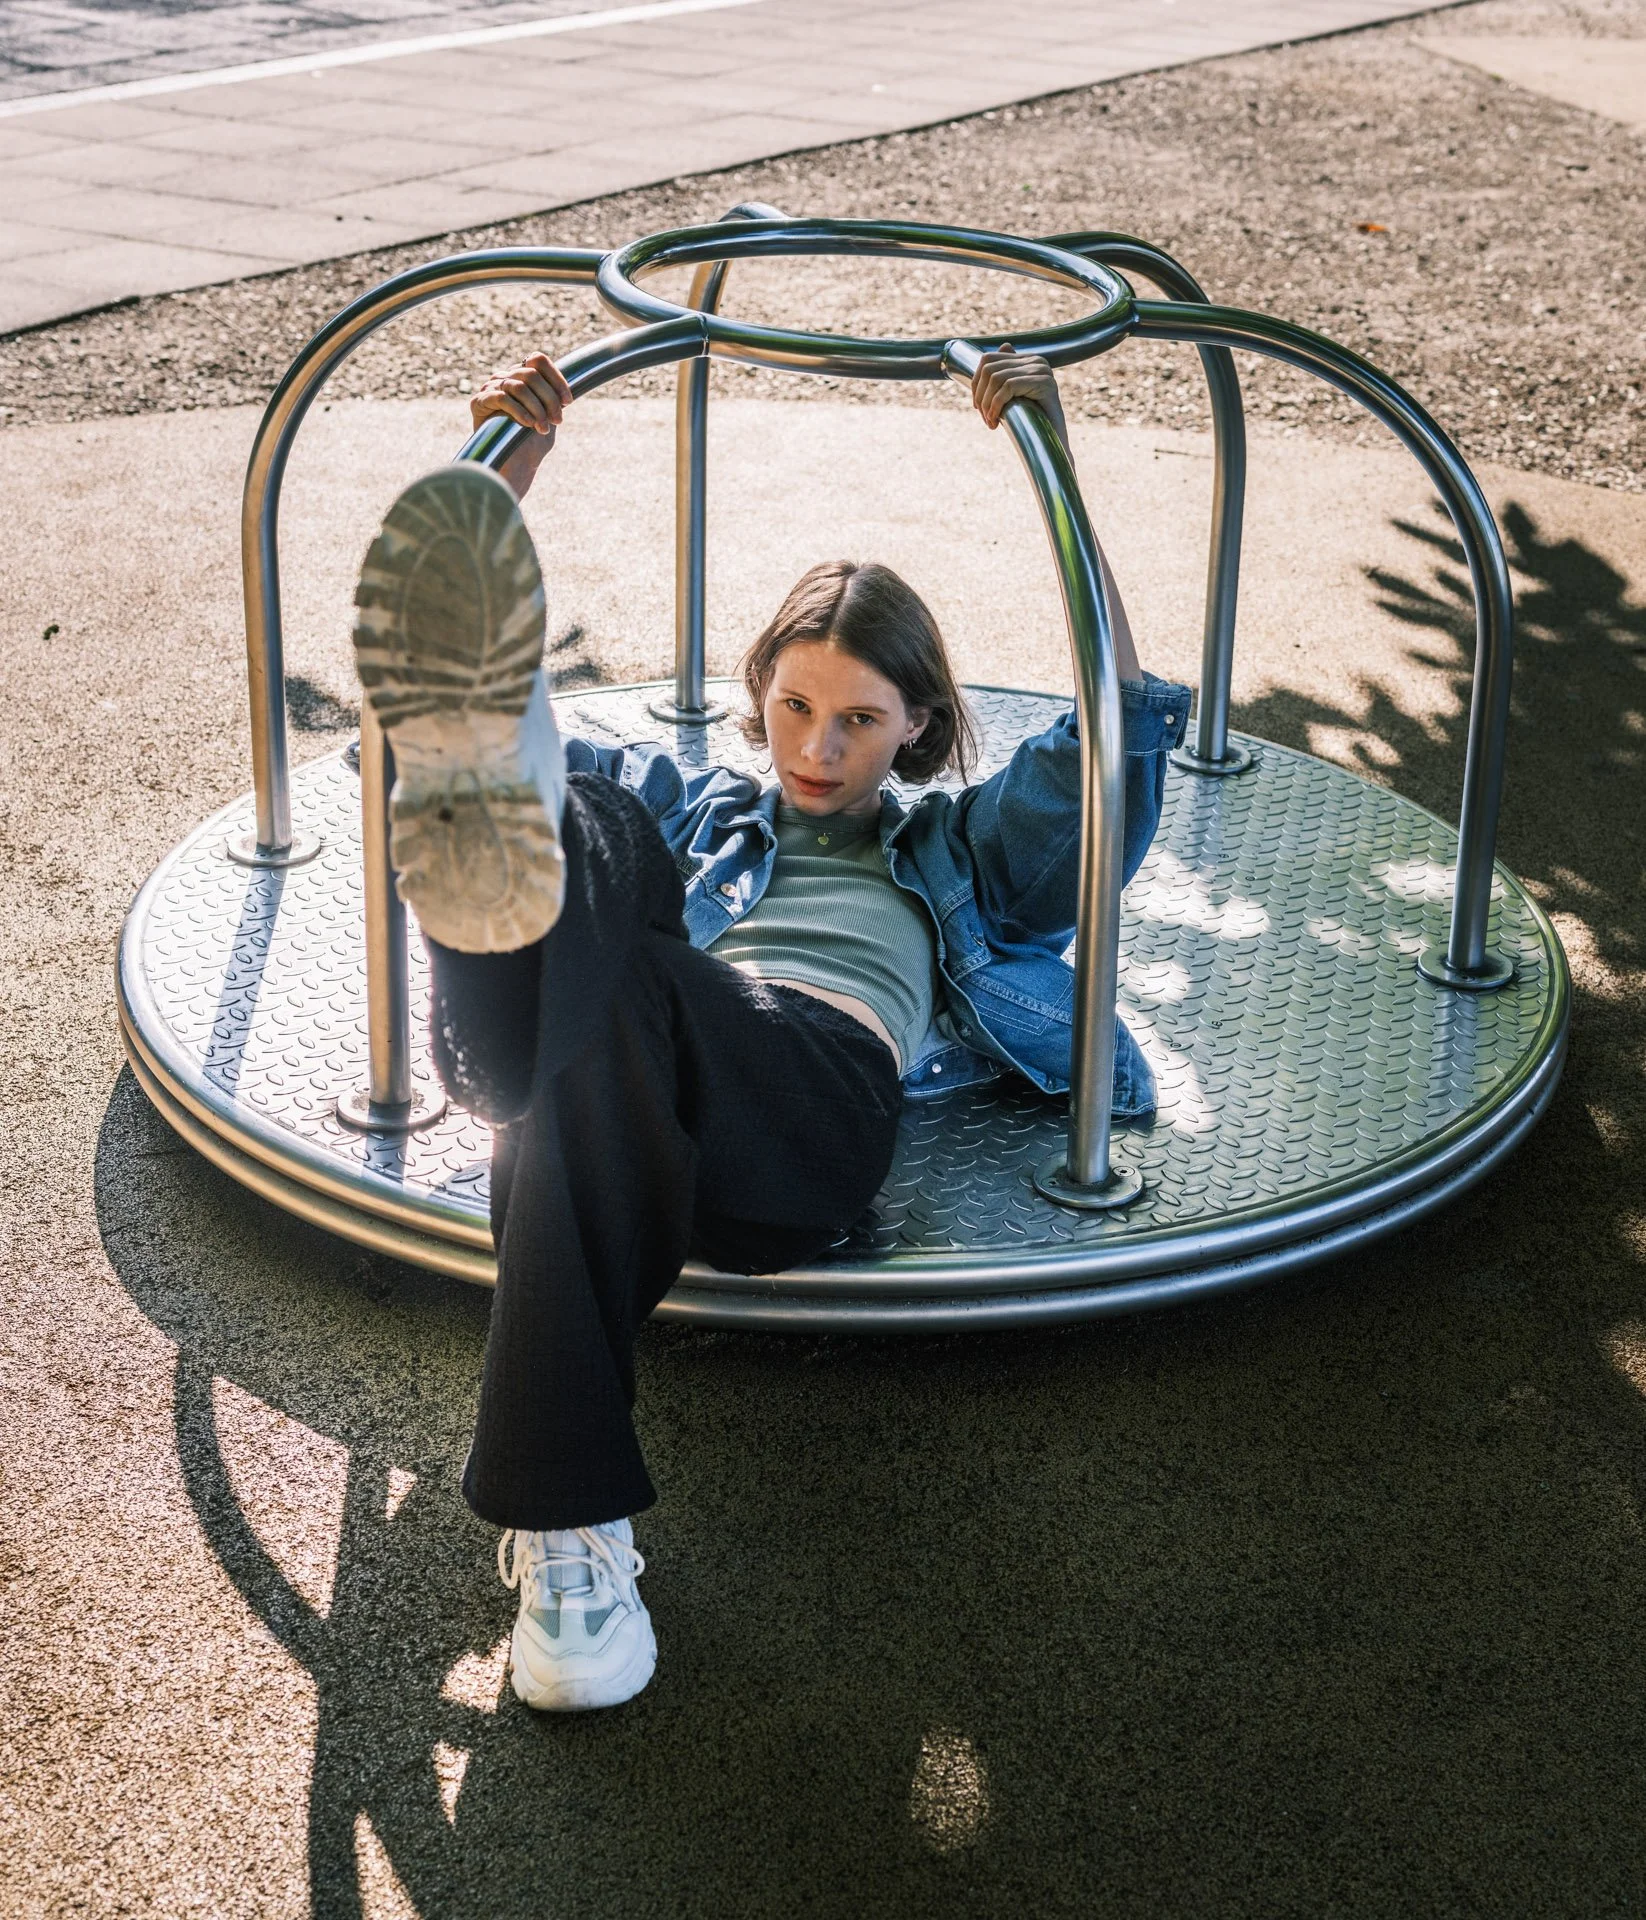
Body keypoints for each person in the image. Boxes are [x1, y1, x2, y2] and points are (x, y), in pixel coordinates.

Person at [350, 346, 1190, 1712]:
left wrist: (1056, 459)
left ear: (917, 729)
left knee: (601, 959)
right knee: (592, 834)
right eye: (795, 706)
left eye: (860, 719)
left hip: (806, 1110)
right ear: (760, 699)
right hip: (635, 1105)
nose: (816, 745)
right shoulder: (701, 805)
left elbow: (1113, 732)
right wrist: (504, 480)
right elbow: (411, 763)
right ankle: (570, 1536)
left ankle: (505, 1026)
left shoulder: (960, 852)